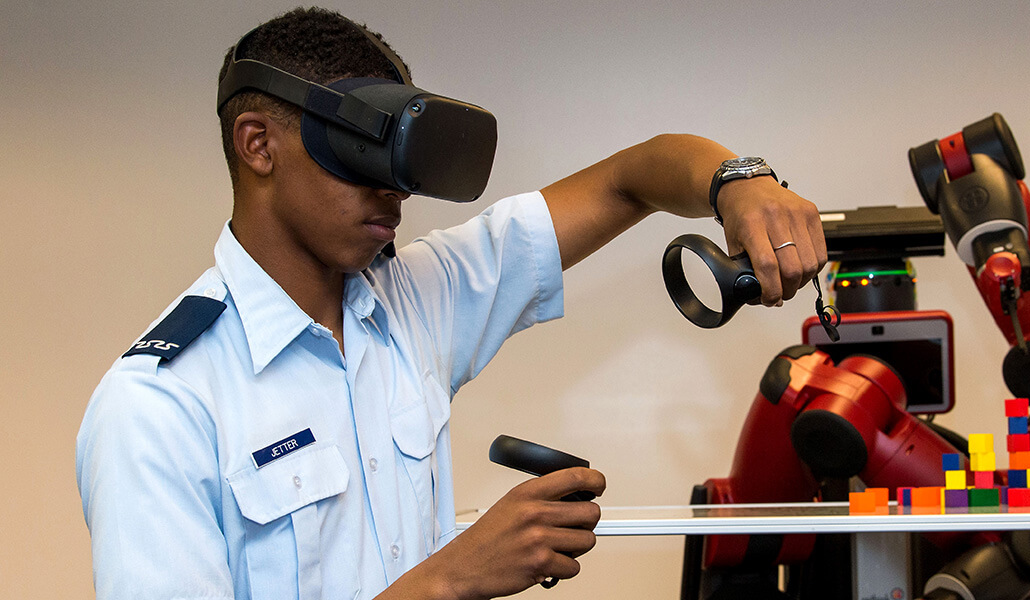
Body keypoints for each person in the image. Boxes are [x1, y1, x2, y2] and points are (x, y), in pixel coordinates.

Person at [76, 7, 825, 600]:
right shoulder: (161, 407)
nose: (396, 191)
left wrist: (738, 180)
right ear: (258, 144)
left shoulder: (413, 303)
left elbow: (632, 177)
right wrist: (452, 578)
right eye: (360, 156)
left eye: (401, 165)